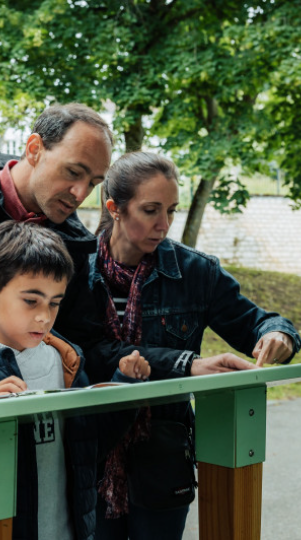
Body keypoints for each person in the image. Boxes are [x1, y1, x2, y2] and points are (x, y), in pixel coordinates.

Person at [0, 102, 242, 396]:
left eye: (94, 182)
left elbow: (88, 346)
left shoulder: (74, 244)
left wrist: (185, 364)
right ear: (34, 149)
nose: (81, 194)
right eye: (73, 172)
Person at [86, 151, 301, 540]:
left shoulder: (196, 271)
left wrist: (278, 333)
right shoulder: (74, 268)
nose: (164, 224)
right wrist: (187, 364)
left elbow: (259, 321)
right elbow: (90, 352)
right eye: (151, 210)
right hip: (91, 452)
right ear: (113, 208)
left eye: (171, 210)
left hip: (164, 452)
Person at [0, 220, 151, 540]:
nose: (44, 316)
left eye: (54, 302)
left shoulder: (68, 360)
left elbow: (88, 449)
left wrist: (125, 385)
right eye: (31, 300)